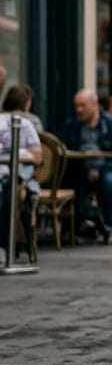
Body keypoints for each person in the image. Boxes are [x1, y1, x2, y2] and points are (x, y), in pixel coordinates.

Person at [60, 89, 112, 243]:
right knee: (69, 179)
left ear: (95, 104)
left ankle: (108, 227)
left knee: (109, 182)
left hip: (110, 169)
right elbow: (64, 147)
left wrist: (101, 170)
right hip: (81, 169)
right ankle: (79, 225)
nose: (79, 110)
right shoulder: (72, 124)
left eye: (83, 106)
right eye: (76, 106)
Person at [0, 90, 42, 255]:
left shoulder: (24, 123)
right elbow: (38, 157)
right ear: (26, 104)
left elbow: (36, 158)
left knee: (10, 193)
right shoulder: (28, 122)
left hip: (16, 176)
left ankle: (6, 248)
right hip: (13, 176)